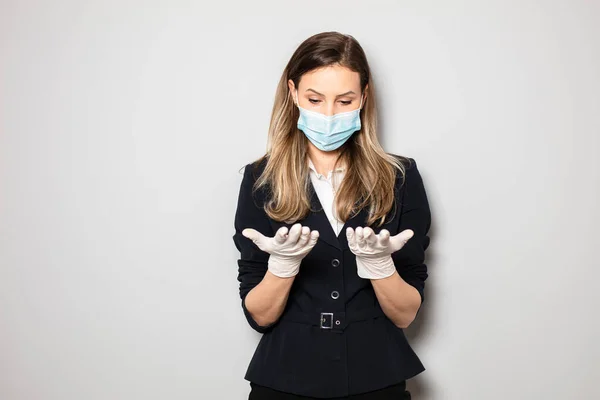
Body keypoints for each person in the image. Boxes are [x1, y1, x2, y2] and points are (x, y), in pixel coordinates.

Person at [232, 31, 432, 400]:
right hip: (284, 381)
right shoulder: (260, 180)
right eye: (314, 99)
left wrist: (380, 266)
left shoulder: (400, 178)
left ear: (364, 97)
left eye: (344, 100)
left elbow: (405, 315)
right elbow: (260, 316)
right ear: (293, 93)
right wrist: (282, 266)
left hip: (377, 379)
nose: (328, 114)